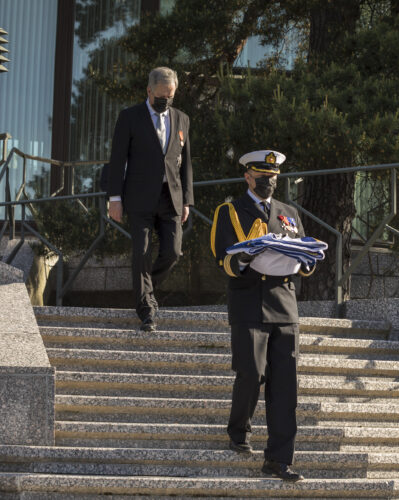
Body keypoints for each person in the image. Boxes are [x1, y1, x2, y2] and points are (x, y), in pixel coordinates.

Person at [211, 150, 315, 482]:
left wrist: (307, 260)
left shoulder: (289, 212)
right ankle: (239, 429)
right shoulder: (230, 211)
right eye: (262, 176)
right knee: (251, 373)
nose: (269, 181)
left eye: (273, 176)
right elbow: (223, 259)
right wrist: (247, 254)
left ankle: (279, 459)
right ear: (247, 177)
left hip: (284, 303)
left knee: (285, 386)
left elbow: (305, 253)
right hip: (248, 301)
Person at [106, 67, 193, 332]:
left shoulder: (182, 119)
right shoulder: (130, 117)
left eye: (171, 94)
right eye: (161, 94)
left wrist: (187, 200)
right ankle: (146, 310)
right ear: (149, 91)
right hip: (139, 198)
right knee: (141, 253)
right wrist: (115, 198)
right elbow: (117, 160)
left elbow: (186, 163)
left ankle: (145, 289)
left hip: (171, 199)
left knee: (173, 251)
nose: (166, 99)